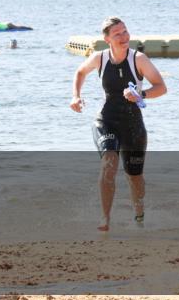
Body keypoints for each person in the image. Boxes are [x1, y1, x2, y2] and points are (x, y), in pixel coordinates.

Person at [71, 17, 167, 232]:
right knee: (109, 162)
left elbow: (161, 87)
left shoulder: (139, 59)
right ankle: (105, 218)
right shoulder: (99, 58)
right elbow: (80, 72)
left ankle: (139, 215)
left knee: (134, 176)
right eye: (117, 34)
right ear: (107, 39)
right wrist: (75, 96)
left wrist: (141, 94)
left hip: (132, 123)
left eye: (125, 31)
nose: (124, 37)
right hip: (106, 120)